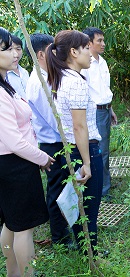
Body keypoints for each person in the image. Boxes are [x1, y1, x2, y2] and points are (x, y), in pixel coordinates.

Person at [0, 27, 53, 277]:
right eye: (7, 49)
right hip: (15, 165)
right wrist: (42, 158)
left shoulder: (6, 85)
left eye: (15, 48)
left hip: (15, 163)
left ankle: (13, 273)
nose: (15, 54)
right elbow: (14, 141)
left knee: (11, 226)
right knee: (23, 229)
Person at [46, 30, 103, 255]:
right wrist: (87, 163)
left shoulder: (62, 77)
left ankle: (85, 250)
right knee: (89, 207)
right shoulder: (75, 82)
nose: (90, 53)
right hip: (84, 149)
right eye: (86, 48)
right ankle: (91, 255)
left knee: (81, 205)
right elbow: (80, 126)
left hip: (71, 148)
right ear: (73, 52)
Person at [25, 33, 73, 246]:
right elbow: (56, 121)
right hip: (53, 144)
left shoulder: (46, 75)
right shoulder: (39, 82)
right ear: (41, 54)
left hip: (58, 141)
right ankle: (60, 238)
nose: (57, 54)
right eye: (53, 50)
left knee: (63, 188)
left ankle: (64, 231)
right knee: (56, 191)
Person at [81, 27, 117, 199]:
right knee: (99, 151)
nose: (103, 44)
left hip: (104, 109)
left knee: (104, 150)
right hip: (93, 113)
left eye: (103, 40)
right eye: (99, 41)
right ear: (89, 43)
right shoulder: (84, 64)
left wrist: (110, 108)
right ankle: (102, 192)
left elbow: (104, 89)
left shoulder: (102, 61)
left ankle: (103, 187)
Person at [6, 34, 30, 99]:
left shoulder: (24, 72)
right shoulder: (4, 76)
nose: (16, 54)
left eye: (18, 49)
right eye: (10, 49)